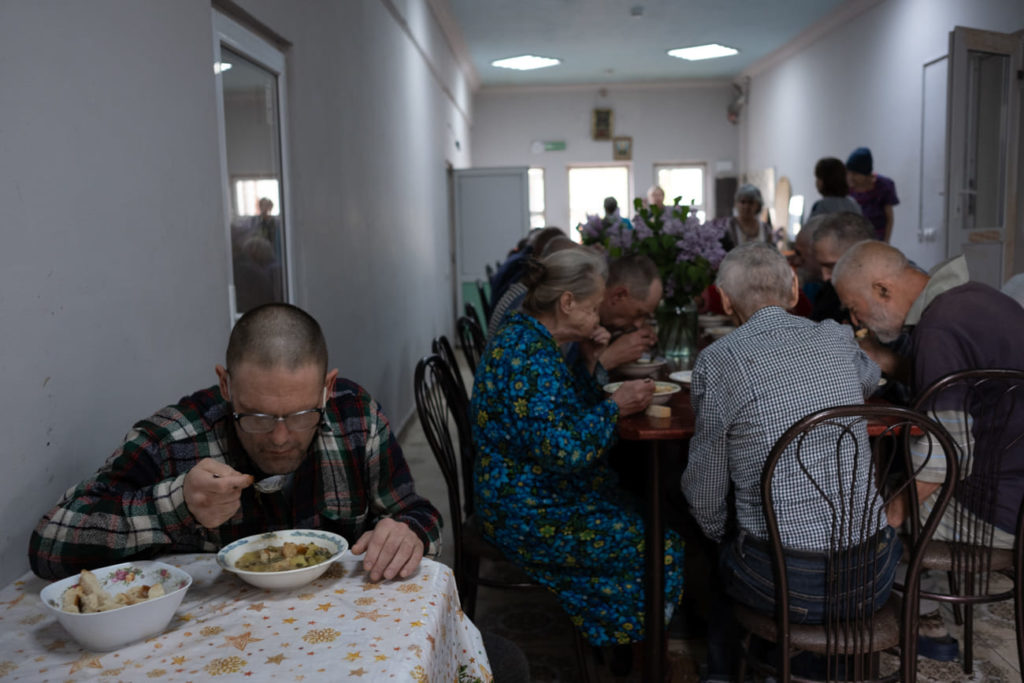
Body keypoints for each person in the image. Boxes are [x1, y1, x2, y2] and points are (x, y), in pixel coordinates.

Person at [30, 303, 441, 582]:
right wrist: (177, 505)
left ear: (327, 388)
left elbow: (418, 514)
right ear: (226, 385)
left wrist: (408, 532)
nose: (280, 438)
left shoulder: (356, 417)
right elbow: (48, 543)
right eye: (257, 416)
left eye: (301, 415)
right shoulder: (175, 438)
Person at [681, 242, 897, 680]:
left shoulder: (718, 361)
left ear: (725, 301)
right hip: (870, 575)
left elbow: (703, 496)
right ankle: (815, 663)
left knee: (719, 546)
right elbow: (870, 380)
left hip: (783, 583)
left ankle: (723, 673)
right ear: (795, 288)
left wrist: (725, 534)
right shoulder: (836, 336)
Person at [471, 247, 685, 656]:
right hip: (525, 510)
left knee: (651, 510)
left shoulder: (530, 337)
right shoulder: (528, 356)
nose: (598, 318)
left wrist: (591, 364)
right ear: (567, 302)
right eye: (592, 308)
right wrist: (615, 407)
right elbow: (564, 452)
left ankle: (624, 640)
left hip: (529, 492)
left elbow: (563, 416)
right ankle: (640, 654)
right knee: (662, 546)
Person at [832, 241, 1024, 657]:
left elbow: (943, 460)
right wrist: (886, 360)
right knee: (900, 482)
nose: (855, 319)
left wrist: (887, 516)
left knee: (859, 509)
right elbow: (966, 386)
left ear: (883, 289)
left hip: (997, 511)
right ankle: (924, 605)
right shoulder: (977, 297)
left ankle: (918, 623)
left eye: (854, 307)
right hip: (1017, 488)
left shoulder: (937, 329)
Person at [809, 211, 875, 322]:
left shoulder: (884, 301)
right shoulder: (828, 294)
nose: (825, 277)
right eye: (821, 265)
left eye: (832, 266)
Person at [846, 147, 899, 242]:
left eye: (855, 174)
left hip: (877, 238)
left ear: (866, 174)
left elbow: (889, 218)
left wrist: (886, 242)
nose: (850, 177)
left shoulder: (884, 186)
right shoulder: (846, 188)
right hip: (852, 239)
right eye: (848, 173)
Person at [719, 183, 773, 251]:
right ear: (736, 204)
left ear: (758, 205)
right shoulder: (727, 227)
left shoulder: (765, 230)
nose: (746, 206)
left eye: (751, 202)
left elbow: (771, 252)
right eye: (743, 202)